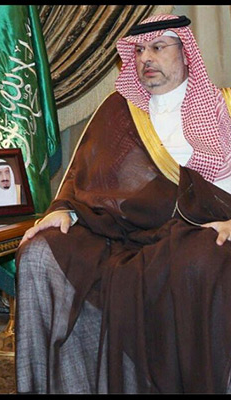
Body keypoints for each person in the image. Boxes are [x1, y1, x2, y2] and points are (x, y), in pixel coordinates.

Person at [15, 14, 231, 394]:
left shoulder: (223, 107)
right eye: (139, 50)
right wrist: (63, 209)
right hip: (119, 229)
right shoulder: (118, 109)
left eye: (158, 47)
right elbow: (83, 175)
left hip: (197, 227)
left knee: (200, 261)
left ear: (185, 52)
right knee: (39, 252)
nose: (146, 57)